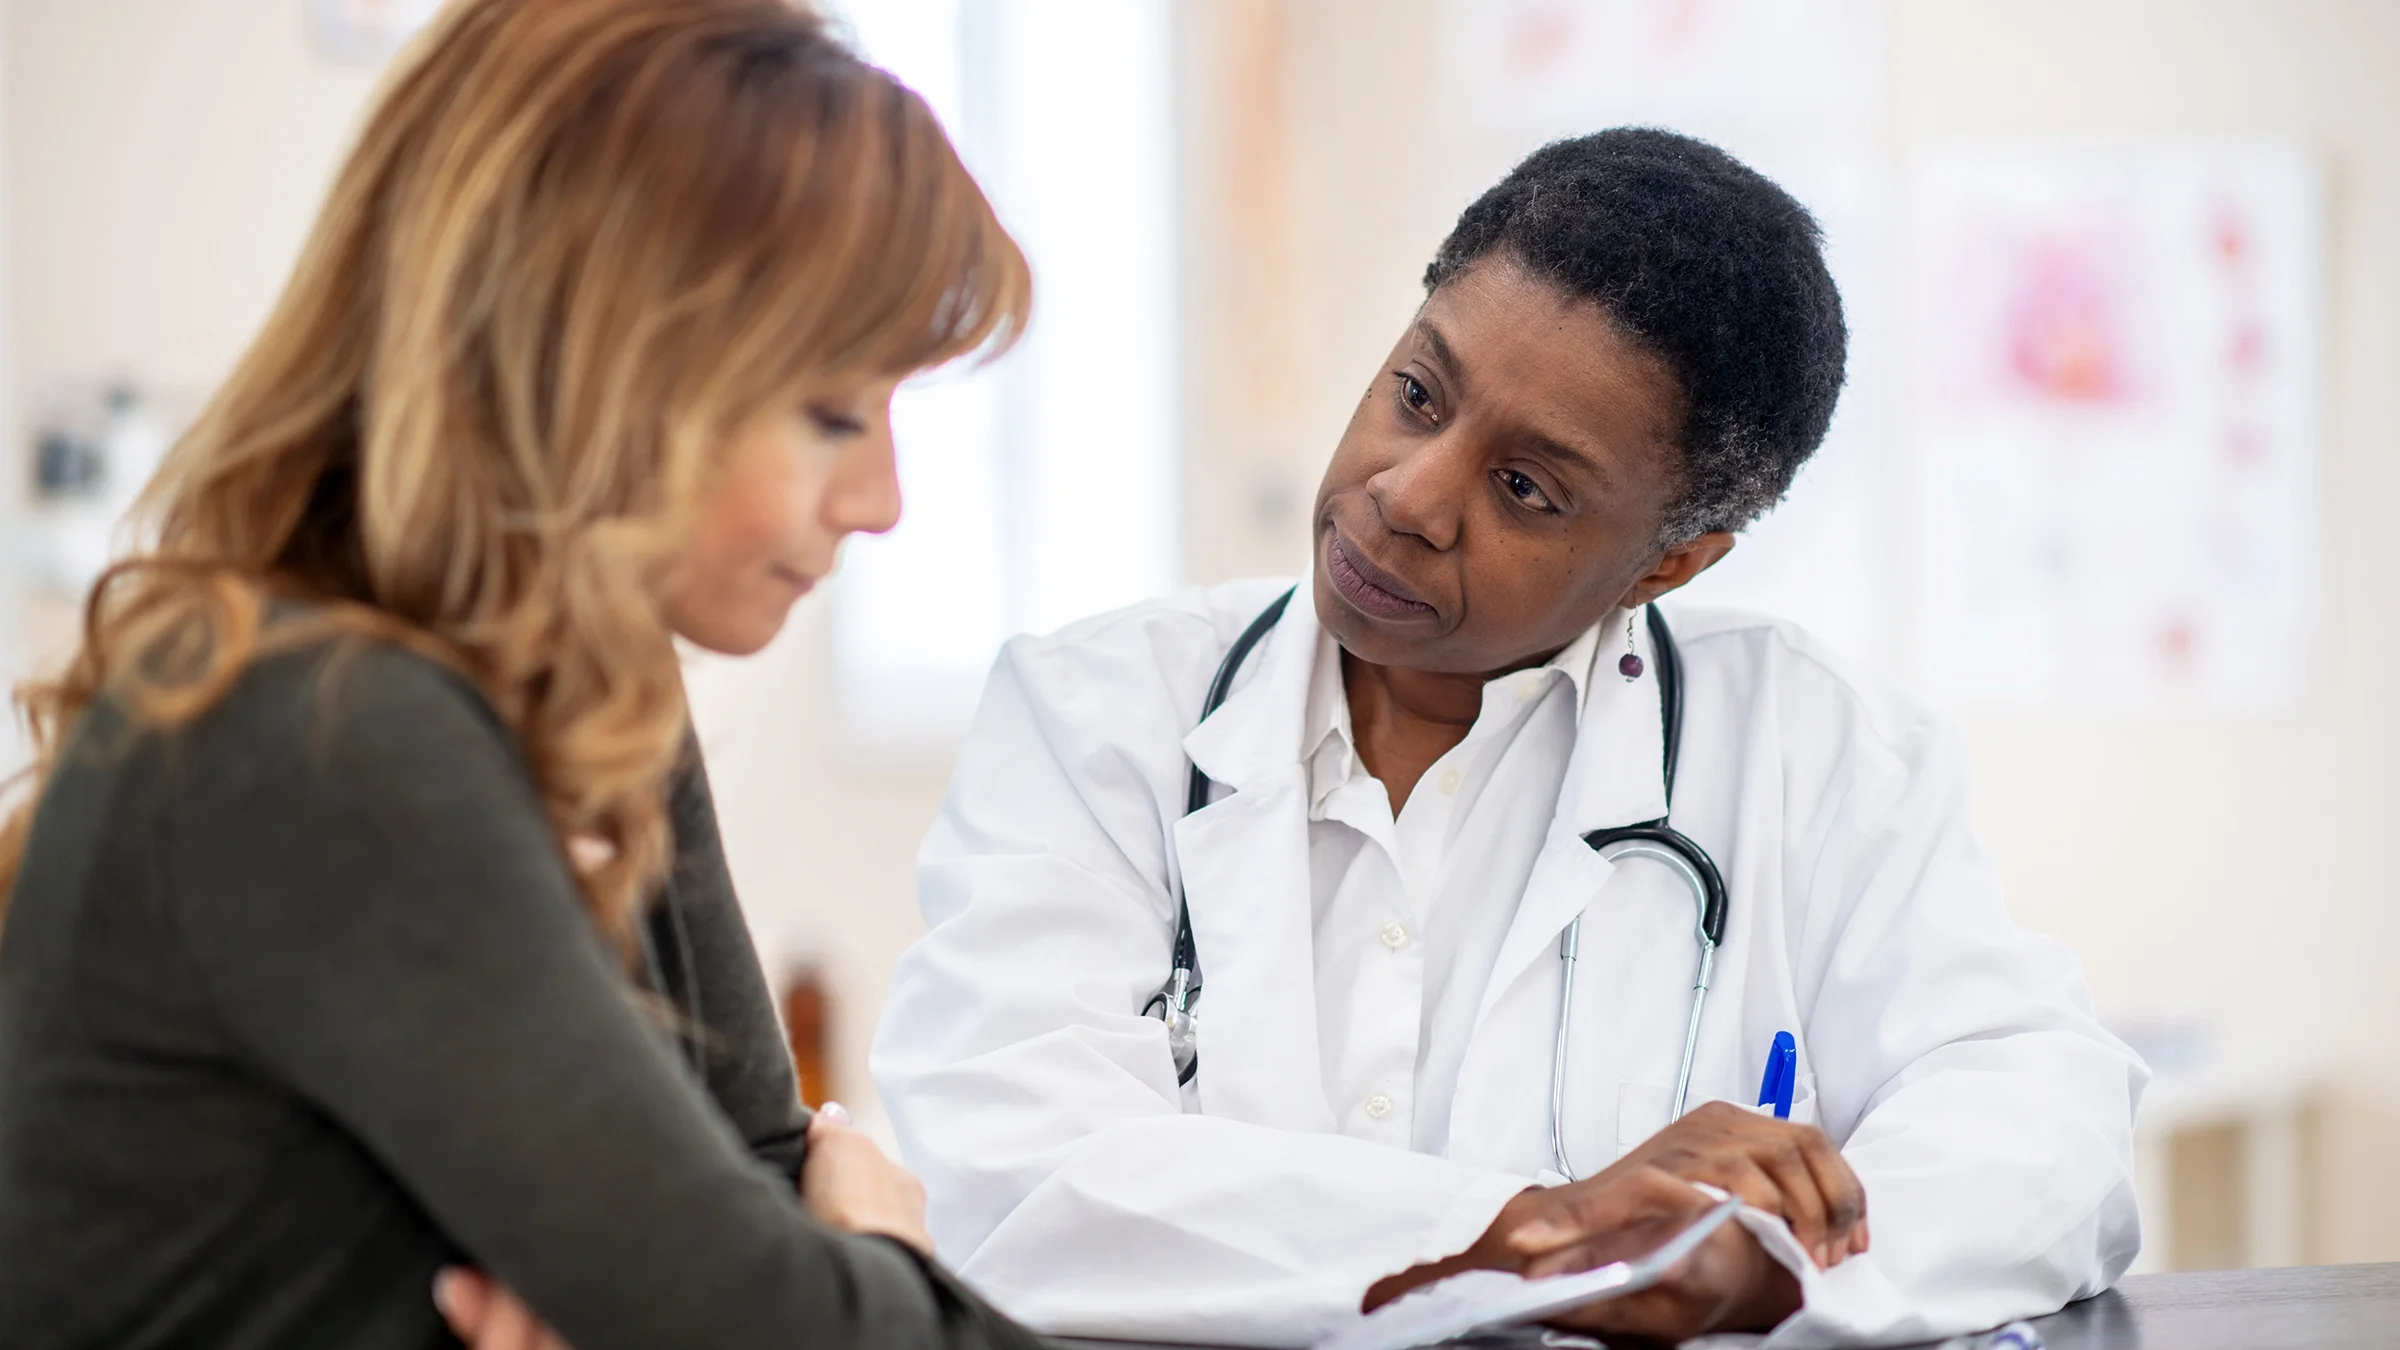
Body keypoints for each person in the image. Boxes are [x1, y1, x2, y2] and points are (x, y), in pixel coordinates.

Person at [873, 128, 2148, 1347]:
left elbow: (2045, 1127)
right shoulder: (1096, 713)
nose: (1408, 497)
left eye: (1526, 488)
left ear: (1672, 561)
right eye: (1418, 393)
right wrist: (1544, 1236)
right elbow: (1005, 1169)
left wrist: (1758, 1269)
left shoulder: (1817, 756)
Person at [0, 3, 1048, 1348]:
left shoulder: (593, 695)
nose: (883, 499)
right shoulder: (320, 731)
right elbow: (774, 1308)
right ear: (600, 366)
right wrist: (884, 1247)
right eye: (832, 413)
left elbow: (762, 1188)